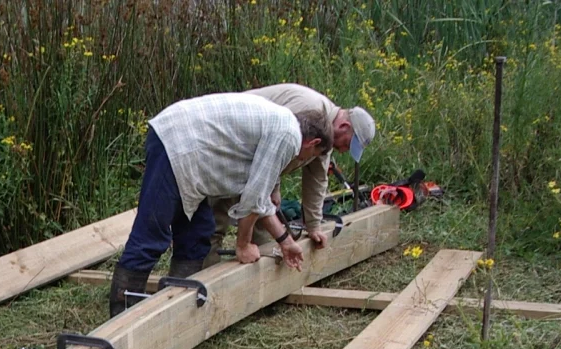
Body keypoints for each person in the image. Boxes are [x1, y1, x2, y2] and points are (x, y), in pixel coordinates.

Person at [109, 93, 333, 317]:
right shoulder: (289, 136)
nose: (307, 160)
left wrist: (284, 241)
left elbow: (259, 195)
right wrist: (243, 244)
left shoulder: (285, 124)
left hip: (193, 157)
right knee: (151, 237)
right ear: (313, 142)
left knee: (197, 234)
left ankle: (178, 311)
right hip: (176, 143)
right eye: (314, 154)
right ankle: (121, 316)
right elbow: (254, 197)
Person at [207, 84, 376, 261]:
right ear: (343, 126)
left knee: (262, 220)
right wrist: (273, 188)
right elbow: (273, 145)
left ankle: (261, 277)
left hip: (256, 165)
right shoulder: (309, 109)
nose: (343, 151)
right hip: (229, 150)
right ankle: (201, 279)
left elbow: (317, 179)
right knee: (214, 225)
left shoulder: (325, 129)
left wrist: (313, 226)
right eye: (348, 144)